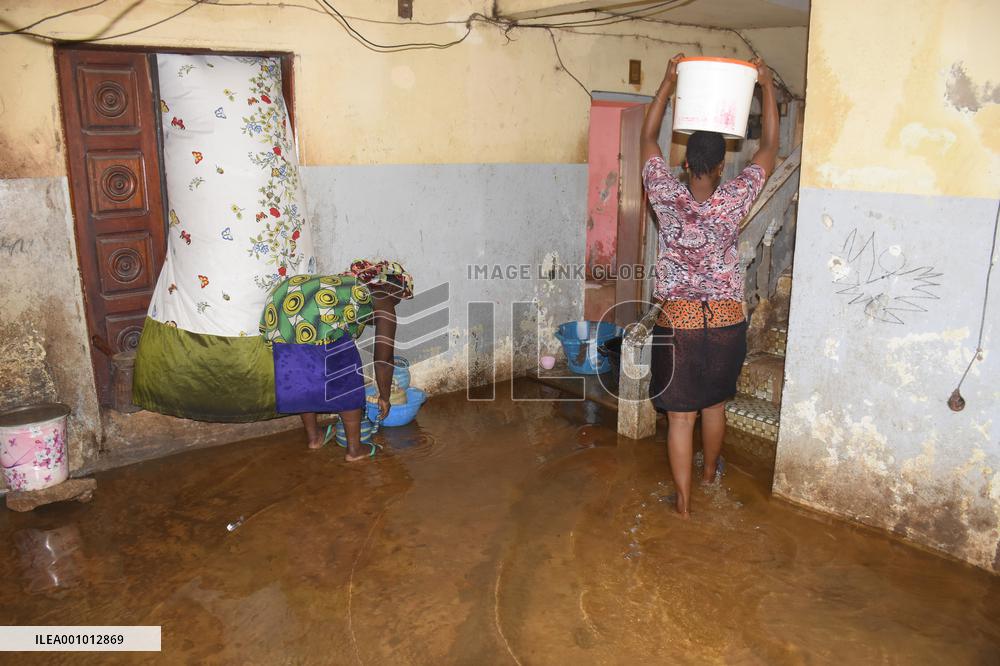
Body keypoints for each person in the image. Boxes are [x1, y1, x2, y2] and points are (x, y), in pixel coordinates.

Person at [639, 53, 778, 517]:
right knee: (714, 406)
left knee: (681, 418)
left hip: (678, 322)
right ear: (721, 166)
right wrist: (766, 86)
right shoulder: (734, 199)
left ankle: (682, 505)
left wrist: (667, 79)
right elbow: (770, 149)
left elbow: (646, 137)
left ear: (684, 164)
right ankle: (708, 476)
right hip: (724, 322)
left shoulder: (664, 191)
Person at [260, 260, 414, 461]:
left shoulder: (346, 284)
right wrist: (384, 397)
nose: (396, 304)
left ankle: (315, 438)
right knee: (347, 381)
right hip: (311, 319)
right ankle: (355, 450)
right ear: (391, 288)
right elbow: (383, 359)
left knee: (303, 379)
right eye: (399, 298)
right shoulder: (383, 298)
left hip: (281, 309)